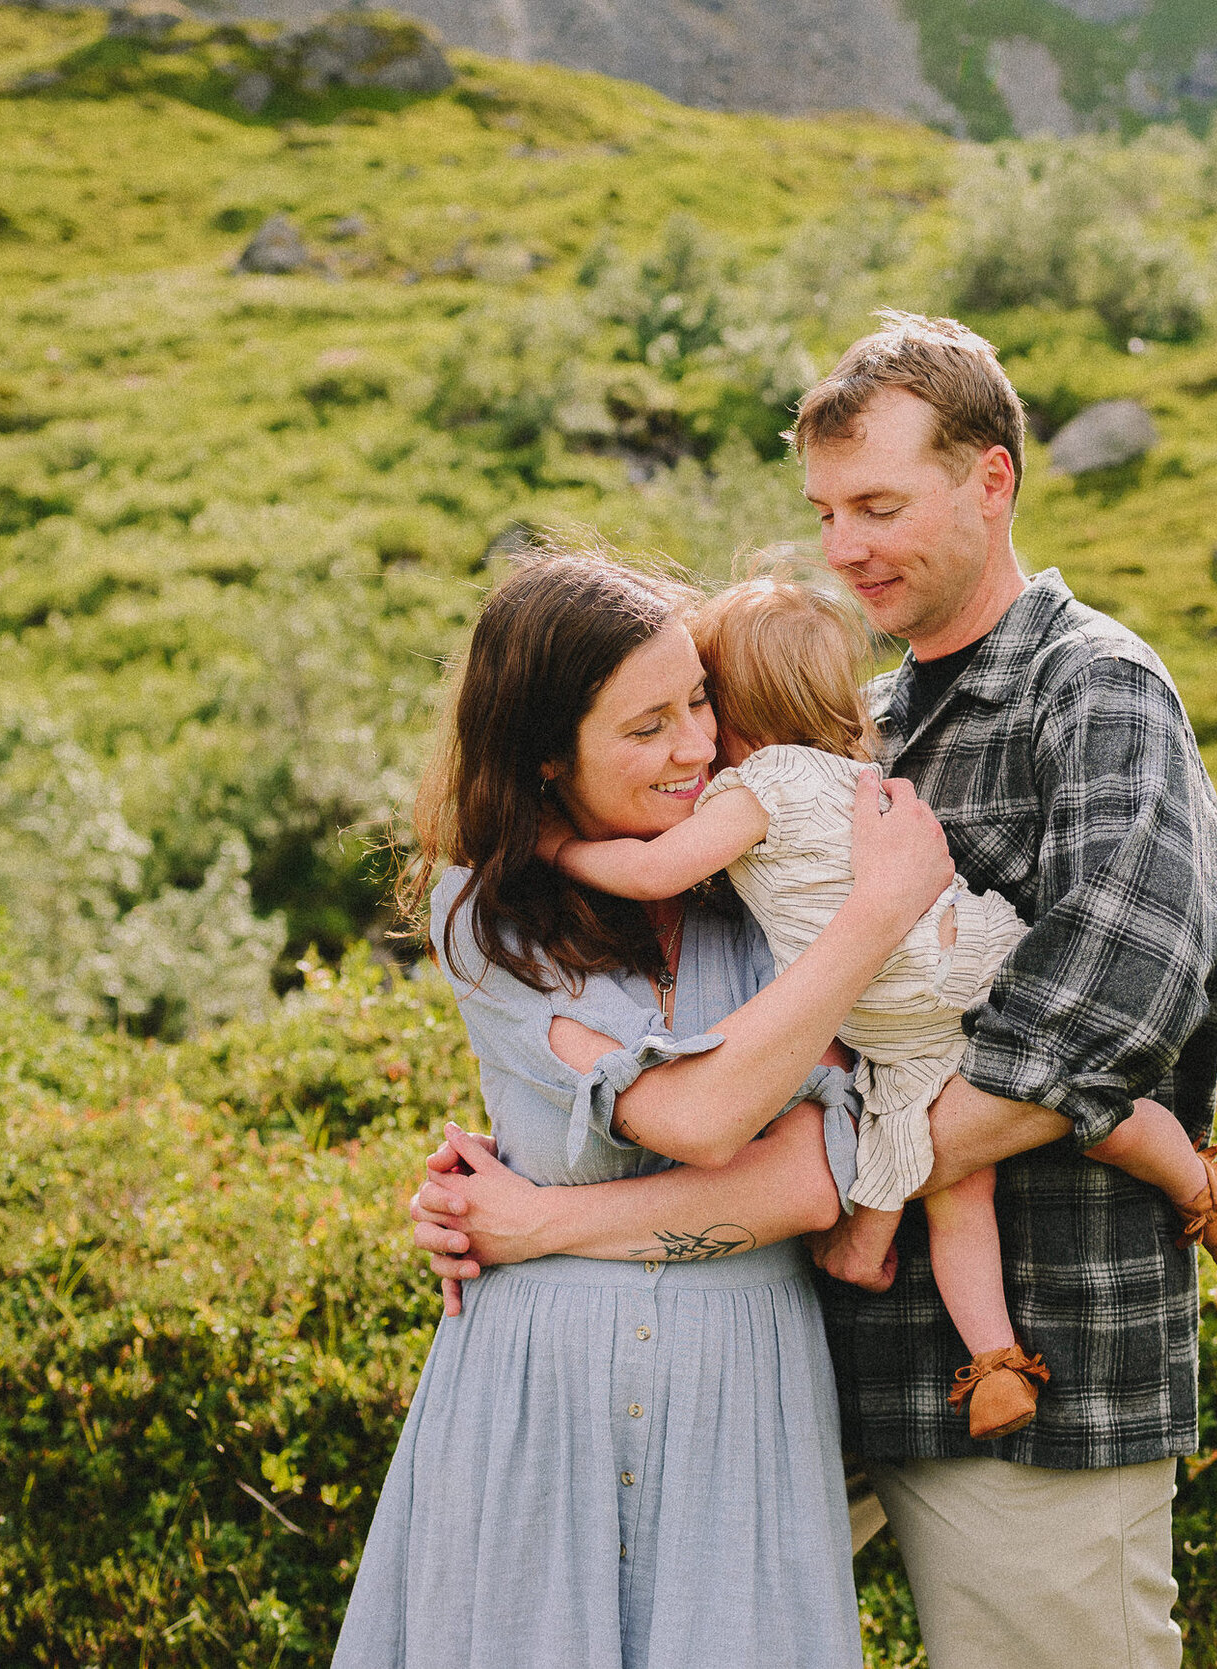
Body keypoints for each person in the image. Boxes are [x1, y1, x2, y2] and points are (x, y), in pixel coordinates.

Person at [415, 311, 1217, 1669]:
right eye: (824, 509)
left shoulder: (1091, 693)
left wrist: (778, 1183)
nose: (845, 545)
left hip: (1036, 1364)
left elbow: (1109, 1015)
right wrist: (512, 1167)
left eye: (879, 503)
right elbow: (704, 1020)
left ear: (992, 480)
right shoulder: (850, 724)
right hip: (819, 1361)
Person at [331, 549, 958, 1669]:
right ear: (543, 757)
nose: (696, 747)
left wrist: (541, 1222)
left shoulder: (766, 883)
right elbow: (706, 1116)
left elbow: (820, 1173)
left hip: (743, 1398)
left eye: (699, 700)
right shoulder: (483, 906)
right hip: (536, 1401)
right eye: (644, 727)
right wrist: (877, 915)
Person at [542, 570, 1217, 1440]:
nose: (696, 741)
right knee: (1101, 1107)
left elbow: (654, 869)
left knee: (952, 1183)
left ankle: (994, 1357)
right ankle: (1211, 1194)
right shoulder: (864, 772)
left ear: (736, 712)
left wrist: (558, 846)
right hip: (971, 948)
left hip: (899, 1013)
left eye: (702, 702)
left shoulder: (757, 787)